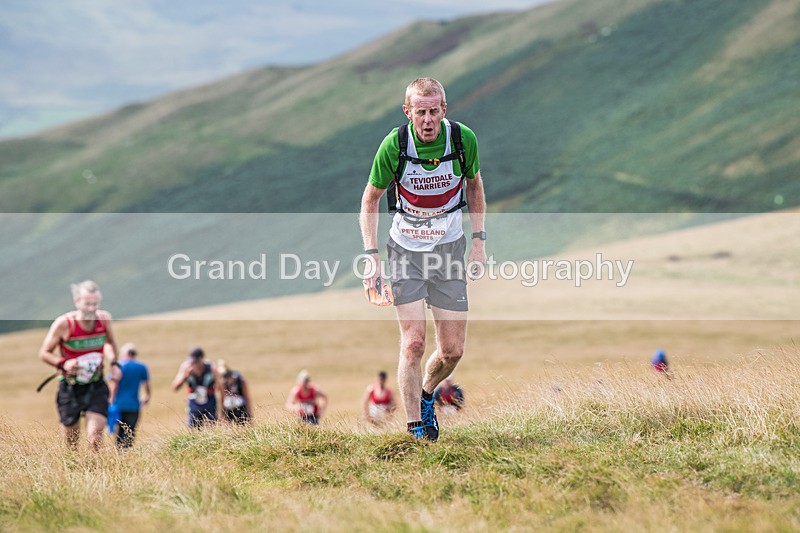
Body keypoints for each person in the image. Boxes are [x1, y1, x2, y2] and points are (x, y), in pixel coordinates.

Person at [359, 77, 486, 441]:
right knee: (414, 342)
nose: (427, 120)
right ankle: (416, 427)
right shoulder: (395, 146)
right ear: (408, 112)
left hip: (449, 251)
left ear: (444, 110)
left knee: (452, 350)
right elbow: (370, 200)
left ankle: (427, 393)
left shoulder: (463, 140)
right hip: (406, 252)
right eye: (420, 113)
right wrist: (371, 255)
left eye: (433, 111)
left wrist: (478, 241)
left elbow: (474, 184)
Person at [38, 280, 120, 450]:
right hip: (70, 386)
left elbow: (110, 343)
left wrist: (113, 363)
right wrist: (63, 363)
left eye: (95, 304)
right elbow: (44, 353)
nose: (91, 308)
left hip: (96, 385)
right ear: (77, 302)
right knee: (72, 441)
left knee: (95, 437)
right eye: (87, 304)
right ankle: (73, 470)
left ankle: (96, 472)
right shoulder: (64, 324)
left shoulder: (104, 319)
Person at [108, 342, 151, 448]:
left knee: (118, 433)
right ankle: (125, 453)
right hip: (133, 405)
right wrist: (147, 396)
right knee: (129, 432)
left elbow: (114, 384)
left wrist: (111, 401)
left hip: (118, 405)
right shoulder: (141, 367)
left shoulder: (119, 366)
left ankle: (119, 455)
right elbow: (147, 384)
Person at [171, 347, 219, 428]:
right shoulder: (185, 367)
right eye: (192, 362)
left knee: (212, 427)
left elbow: (219, 386)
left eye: (196, 361)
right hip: (194, 404)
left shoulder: (211, 368)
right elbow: (175, 387)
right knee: (192, 429)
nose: (194, 364)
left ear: (202, 359)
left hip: (210, 403)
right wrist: (185, 376)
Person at [217, 359, 253, 425]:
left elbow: (246, 396)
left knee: (243, 425)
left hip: (240, 407)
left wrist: (249, 413)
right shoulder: (222, 382)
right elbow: (222, 397)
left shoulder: (239, 380)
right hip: (229, 408)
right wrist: (222, 413)